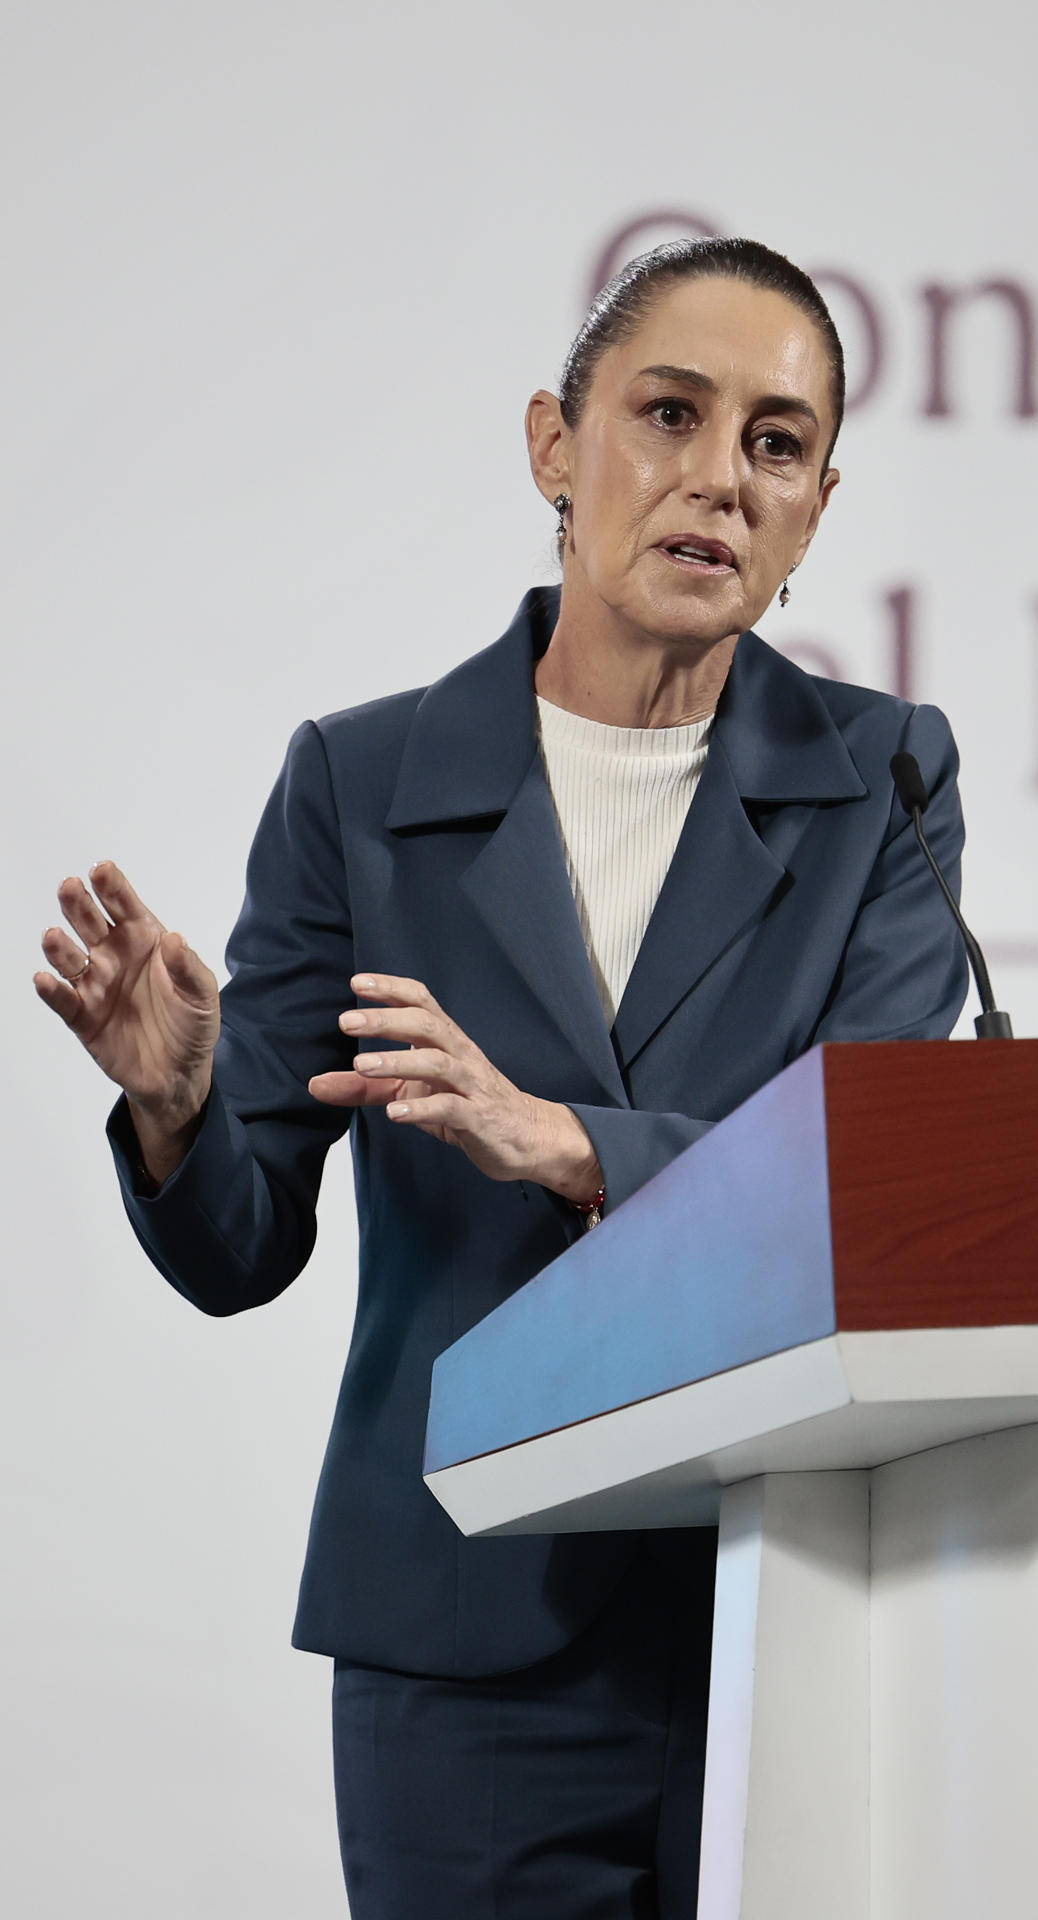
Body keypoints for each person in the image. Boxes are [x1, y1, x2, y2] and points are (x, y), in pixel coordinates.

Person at [34, 238, 969, 1919]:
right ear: (553, 443)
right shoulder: (362, 780)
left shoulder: (885, 779)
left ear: (817, 509)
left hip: (788, 1606)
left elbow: (873, 1187)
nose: (719, 478)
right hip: (463, 1633)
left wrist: (572, 1145)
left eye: (775, 444)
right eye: (668, 414)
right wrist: (177, 1105)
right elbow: (243, 1248)